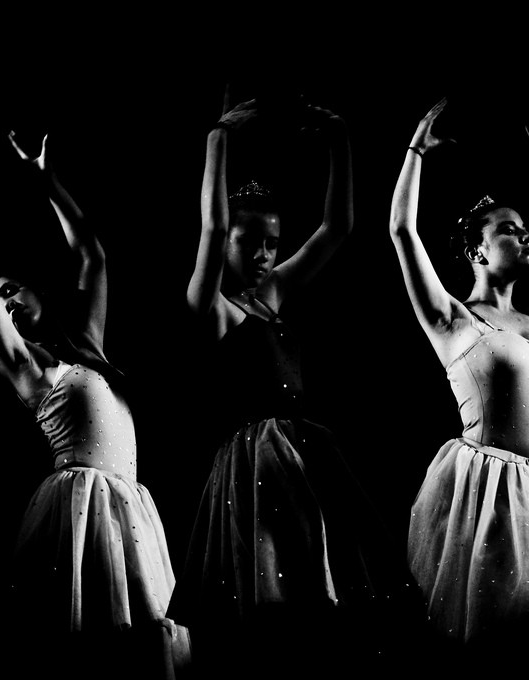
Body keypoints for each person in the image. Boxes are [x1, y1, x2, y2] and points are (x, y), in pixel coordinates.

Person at [167, 93, 413, 671]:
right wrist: (218, 136)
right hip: (253, 461)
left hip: (305, 454)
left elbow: (338, 227)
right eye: (248, 240)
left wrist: (338, 137)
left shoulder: (271, 294)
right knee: (267, 590)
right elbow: (211, 222)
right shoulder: (215, 306)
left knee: (318, 581)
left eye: (271, 243)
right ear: (226, 240)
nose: (261, 252)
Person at [0, 132, 181, 678]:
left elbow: (93, 254)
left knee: (139, 636)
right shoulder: (28, 370)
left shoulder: (87, 346)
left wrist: (48, 183)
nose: (5, 305)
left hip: (128, 506)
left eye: (13, 292)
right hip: (77, 506)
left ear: (36, 291)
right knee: (85, 640)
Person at [389, 97, 529, 657]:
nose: (524, 236)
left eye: (526, 229)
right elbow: (402, 231)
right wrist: (417, 150)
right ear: (476, 247)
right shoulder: (454, 319)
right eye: (511, 229)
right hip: (491, 490)